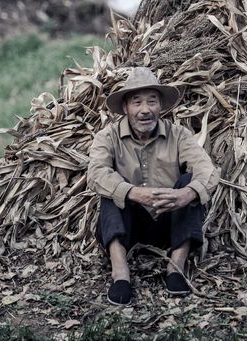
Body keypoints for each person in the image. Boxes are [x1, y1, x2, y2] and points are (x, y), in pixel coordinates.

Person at [87, 66, 220, 306]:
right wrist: (135, 193)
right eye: (137, 102)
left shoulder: (178, 134)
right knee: (111, 188)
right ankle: (120, 274)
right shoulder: (108, 136)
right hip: (131, 226)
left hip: (169, 223)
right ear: (126, 107)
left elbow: (207, 170)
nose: (145, 110)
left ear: (161, 106)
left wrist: (185, 194)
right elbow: (95, 173)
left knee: (191, 184)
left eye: (152, 101)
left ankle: (176, 267)